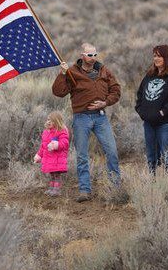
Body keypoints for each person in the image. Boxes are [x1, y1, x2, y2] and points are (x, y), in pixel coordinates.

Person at [52, 43, 121, 202]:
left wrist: (105, 102)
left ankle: (115, 187)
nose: (93, 58)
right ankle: (84, 190)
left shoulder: (104, 70)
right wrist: (62, 74)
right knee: (82, 155)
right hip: (81, 118)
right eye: (90, 55)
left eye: (95, 54)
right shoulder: (72, 72)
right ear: (82, 55)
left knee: (111, 152)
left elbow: (116, 90)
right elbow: (58, 92)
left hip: (100, 116)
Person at [135, 44, 168, 172]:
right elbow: (140, 94)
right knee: (151, 157)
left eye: (159, 56)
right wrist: (141, 111)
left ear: (166, 58)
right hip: (149, 123)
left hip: (166, 124)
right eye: (154, 56)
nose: (156, 59)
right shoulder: (150, 75)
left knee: (167, 156)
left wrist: (163, 111)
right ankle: (152, 187)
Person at [34, 111, 69, 197]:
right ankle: (51, 188)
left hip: (57, 158)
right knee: (52, 175)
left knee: (57, 175)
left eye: (51, 120)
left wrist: (56, 145)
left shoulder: (61, 131)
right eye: (48, 119)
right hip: (49, 159)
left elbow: (65, 143)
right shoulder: (46, 132)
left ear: (57, 121)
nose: (49, 122)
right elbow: (43, 146)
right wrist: (39, 155)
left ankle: (57, 190)